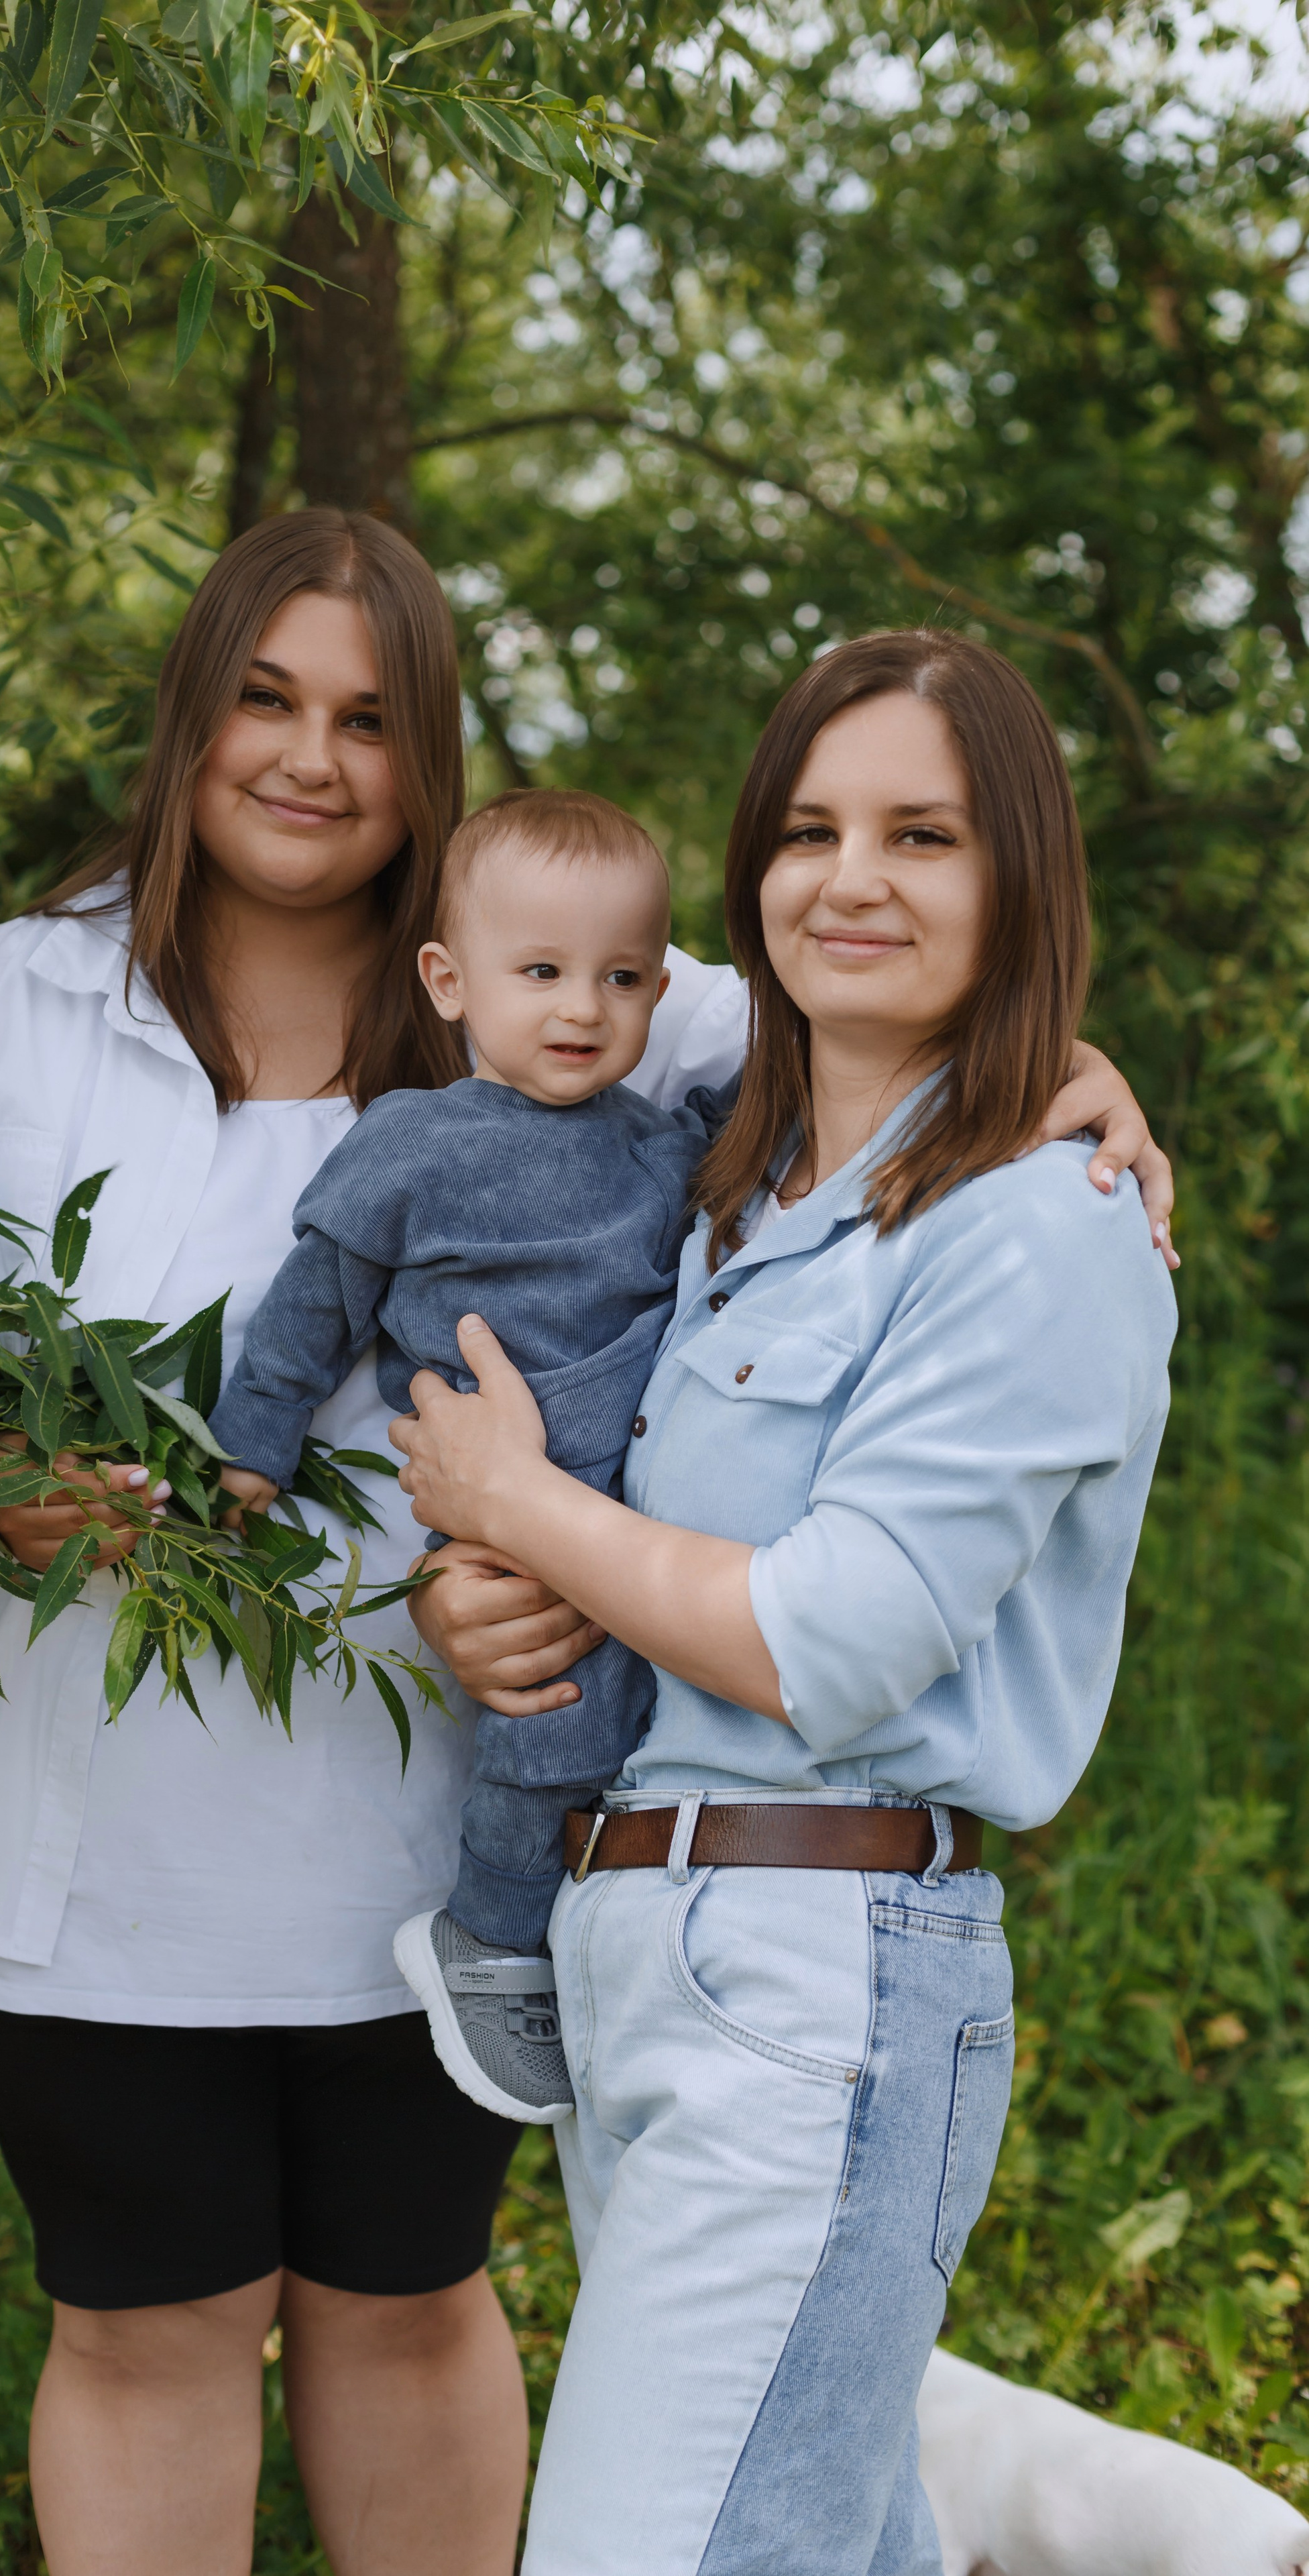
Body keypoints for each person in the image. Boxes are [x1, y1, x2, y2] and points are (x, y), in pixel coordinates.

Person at [0, 505, 1168, 2576]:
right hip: (90, 1821)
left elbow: (885, 1005)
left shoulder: (595, 995)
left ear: (432, 759)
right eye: (264, 699)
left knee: (414, 2301)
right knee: (148, 2317)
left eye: (366, 716)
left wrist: (1089, 1085)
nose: (310, 758)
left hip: (446, 1824)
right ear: (189, 719)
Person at [393, 630, 1178, 2576]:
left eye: (926, 834)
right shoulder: (742, 1195)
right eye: (811, 830)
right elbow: (527, 959)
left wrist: (516, 1502)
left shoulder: (1039, 1223)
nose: (854, 878)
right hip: (644, 1953)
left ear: (1019, 885)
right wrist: (468, 1592)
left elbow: (826, 1641)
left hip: (820, 1973)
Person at [211, 788, 712, 2125]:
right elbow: (312, 1304)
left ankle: (598, 1944)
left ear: (659, 988)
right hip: (497, 1509)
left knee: (653, 1738)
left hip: (637, 1497)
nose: (580, 1008)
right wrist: (251, 1445)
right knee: (554, 1722)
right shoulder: (408, 1143)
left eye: (618, 979)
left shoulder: (662, 1145)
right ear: (449, 982)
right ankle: (489, 1934)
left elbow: (812, 1118)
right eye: (539, 973)